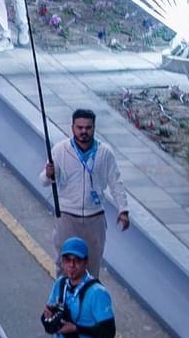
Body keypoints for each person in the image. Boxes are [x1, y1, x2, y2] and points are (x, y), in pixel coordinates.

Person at [43, 111, 130, 280]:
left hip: (94, 218)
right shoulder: (60, 150)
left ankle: (88, 304)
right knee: (65, 266)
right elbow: (44, 181)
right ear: (72, 128)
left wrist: (123, 209)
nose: (84, 131)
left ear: (94, 128)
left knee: (92, 267)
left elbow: (116, 182)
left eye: (88, 128)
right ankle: (62, 302)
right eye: (80, 127)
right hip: (67, 217)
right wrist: (48, 174)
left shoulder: (105, 153)